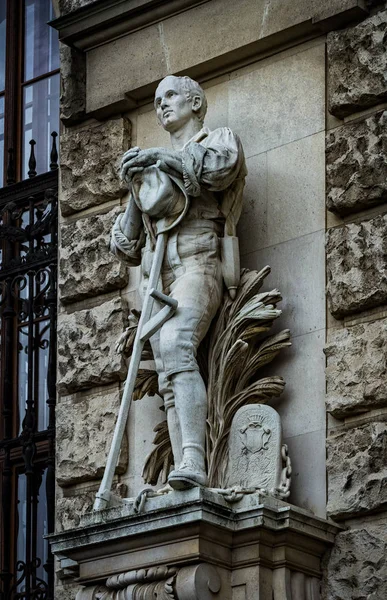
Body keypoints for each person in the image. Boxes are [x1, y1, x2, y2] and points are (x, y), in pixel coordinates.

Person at [111, 75, 246, 489]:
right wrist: (134, 187)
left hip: (199, 264)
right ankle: (185, 464)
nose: (160, 105)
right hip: (160, 278)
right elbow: (125, 246)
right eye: (155, 100)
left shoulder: (217, 138)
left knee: (175, 345)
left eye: (169, 96)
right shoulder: (149, 168)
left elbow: (221, 169)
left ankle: (193, 458)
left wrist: (163, 160)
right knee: (169, 370)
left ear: (195, 102)